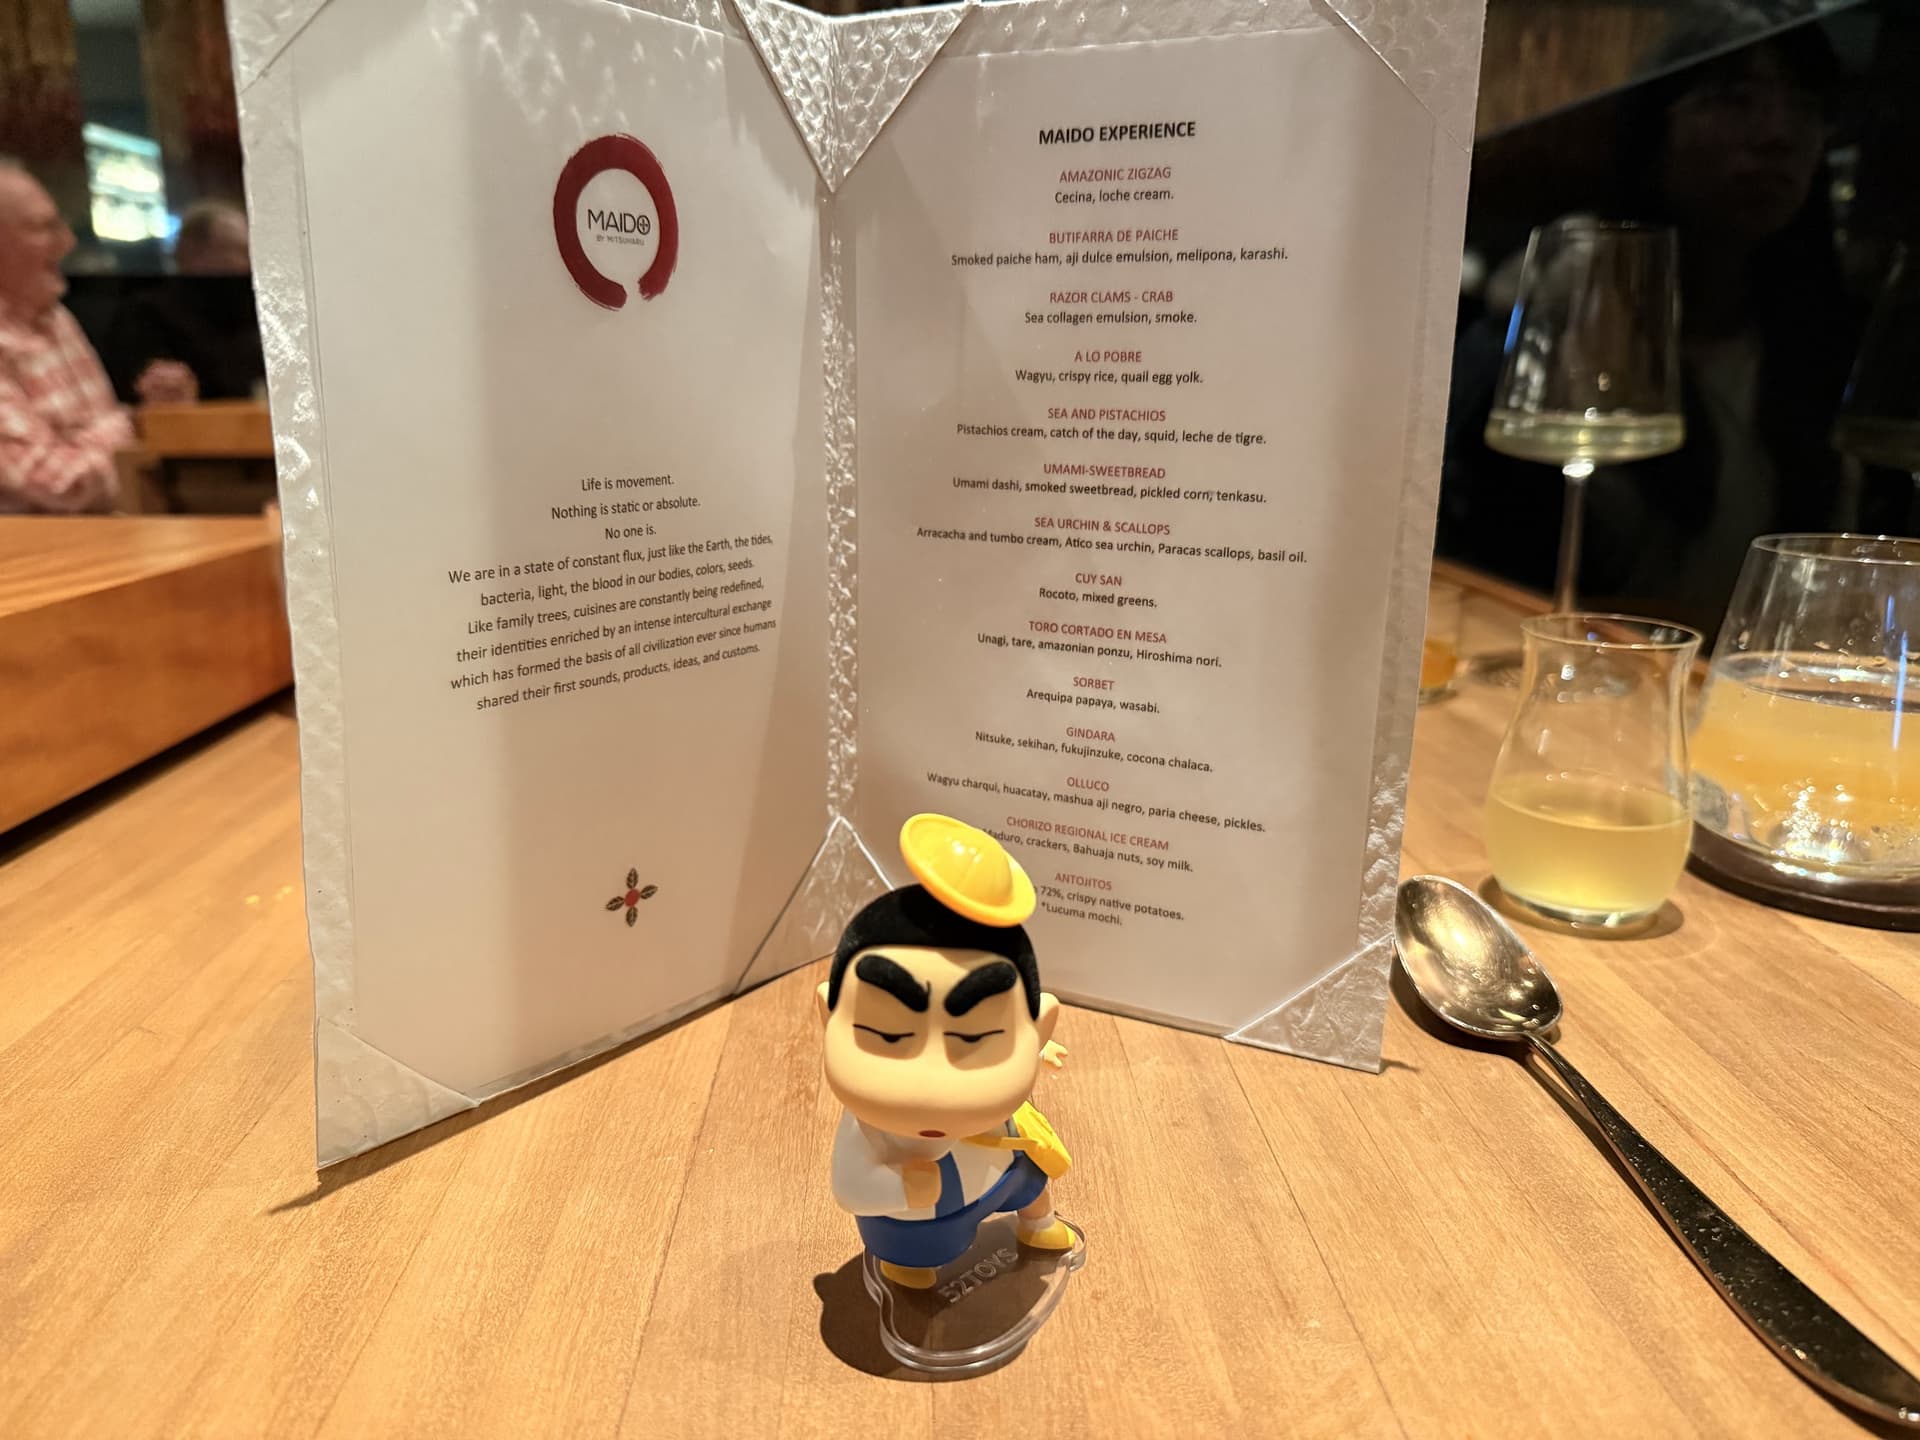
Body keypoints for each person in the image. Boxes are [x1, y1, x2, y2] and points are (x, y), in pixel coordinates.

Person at [1440, 31, 1856, 635]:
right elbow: (1468, 550)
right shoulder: (1563, 300)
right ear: (1654, 129)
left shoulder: (1822, 335)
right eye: (1734, 99)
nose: (1778, 134)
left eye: (1805, 107)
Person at [821, 815, 1076, 1291]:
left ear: (1039, 1027)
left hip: (1005, 1160)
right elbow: (849, 1186)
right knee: (915, 1250)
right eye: (888, 1035)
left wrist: (1036, 1056)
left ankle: (1037, 1223)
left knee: (1031, 1182)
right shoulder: (867, 1130)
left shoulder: (1029, 1044)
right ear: (826, 1017)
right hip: (926, 1212)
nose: (934, 1086)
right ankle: (911, 1265)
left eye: (976, 1040)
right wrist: (899, 1189)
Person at [0, 157, 136, 514]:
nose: (67, 242)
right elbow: (58, 484)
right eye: (43, 228)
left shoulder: (56, 317)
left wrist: (152, 419)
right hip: (35, 548)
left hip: (111, 531)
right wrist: (129, 429)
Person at [104, 198, 265, 405]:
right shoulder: (145, 315)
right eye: (239, 251)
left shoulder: (253, 310)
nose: (250, 263)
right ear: (192, 252)